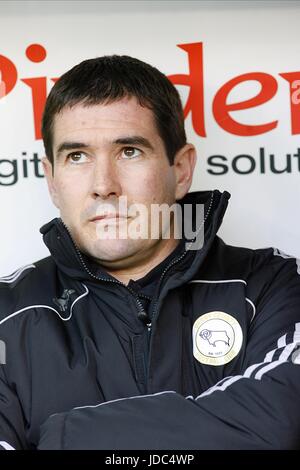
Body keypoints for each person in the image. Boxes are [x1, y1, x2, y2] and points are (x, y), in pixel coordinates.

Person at [1, 55, 300, 451]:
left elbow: (278, 425)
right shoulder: (6, 311)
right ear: (52, 181)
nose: (104, 185)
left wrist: (62, 438)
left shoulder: (272, 283)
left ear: (181, 170)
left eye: (129, 151)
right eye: (77, 156)